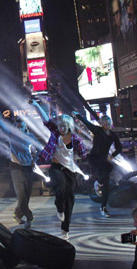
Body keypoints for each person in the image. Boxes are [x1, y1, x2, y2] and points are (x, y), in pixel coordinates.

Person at [34, 100, 88, 241]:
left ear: (69, 126)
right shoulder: (55, 133)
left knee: (70, 199)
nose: (61, 128)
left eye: (64, 126)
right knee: (61, 186)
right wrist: (35, 104)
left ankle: (65, 229)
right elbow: (45, 119)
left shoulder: (76, 139)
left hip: (70, 170)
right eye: (60, 126)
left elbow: (84, 154)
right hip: (56, 167)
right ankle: (59, 206)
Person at [0, 114, 37, 228]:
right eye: (17, 125)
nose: (19, 127)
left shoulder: (30, 136)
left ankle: (18, 214)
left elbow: (36, 150)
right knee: (21, 195)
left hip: (28, 169)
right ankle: (29, 217)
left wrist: (34, 160)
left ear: (25, 126)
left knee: (27, 195)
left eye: (22, 125)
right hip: (16, 168)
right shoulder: (12, 135)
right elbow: (2, 126)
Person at [74, 112, 121, 218]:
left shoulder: (113, 135)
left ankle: (103, 207)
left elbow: (119, 148)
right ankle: (98, 183)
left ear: (110, 123)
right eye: (104, 122)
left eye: (108, 122)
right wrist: (78, 115)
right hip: (94, 159)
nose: (106, 124)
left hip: (104, 160)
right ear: (101, 123)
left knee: (106, 184)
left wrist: (112, 156)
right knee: (103, 178)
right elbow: (87, 124)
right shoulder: (98, 130)